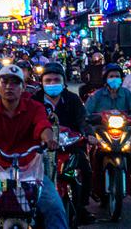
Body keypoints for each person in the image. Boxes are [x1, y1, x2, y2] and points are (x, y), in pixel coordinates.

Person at [0, 65, 66, 229]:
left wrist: (49, 140)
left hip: (31, 177)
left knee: (54, 207)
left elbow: (43, 126)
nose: (9, 87)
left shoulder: (35, 108)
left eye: (15, 83)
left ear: (23, 87)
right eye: (5, 82)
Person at [32, 62, 96, 225]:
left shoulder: (72, 99)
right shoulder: (34, 101)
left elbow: (83, 120)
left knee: (86, 170)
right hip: (42, 148)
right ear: (42, 82)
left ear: (63, 81)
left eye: (56, 80)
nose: (52, 84)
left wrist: (89, 135)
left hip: (71, 145)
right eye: (48, 80)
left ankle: (81, 207)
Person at [85, 64, 131, 198]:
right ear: (106, 79)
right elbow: (86, 112)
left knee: (129, 154)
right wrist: (91, 118)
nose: (115, 79)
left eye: (117, 76)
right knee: (95, 155)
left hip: (122, 130)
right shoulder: (97, 95)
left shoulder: (126, 93)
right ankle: (94, 186)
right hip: (101, 131)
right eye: (111, 76)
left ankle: (130, 183)